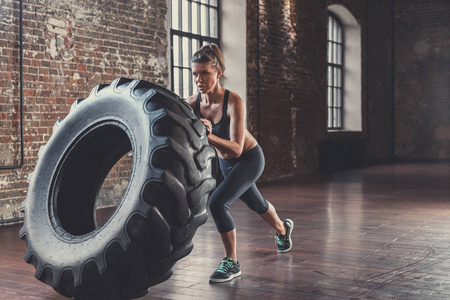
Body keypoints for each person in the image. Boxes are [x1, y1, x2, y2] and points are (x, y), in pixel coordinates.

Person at [186, 44, 294, 283]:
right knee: (257, 204)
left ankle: (231, 262)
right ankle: (283, 230)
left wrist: (209, 136)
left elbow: (235, 148)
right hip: (226, 164)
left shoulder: (233, 102)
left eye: (205, 73)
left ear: (219, 72)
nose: (199, 79)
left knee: (217, 203)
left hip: (249, 158)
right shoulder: (192, 103)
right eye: (195, 73)